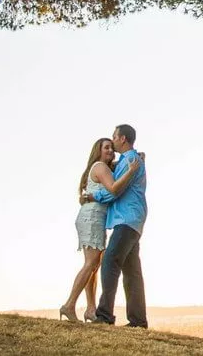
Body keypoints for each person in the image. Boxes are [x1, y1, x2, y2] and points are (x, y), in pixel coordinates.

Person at [59, 138, 140, 322]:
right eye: (106, 148)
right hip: (92, 217)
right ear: (98, 150)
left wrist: (136, 157)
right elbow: (113, 189)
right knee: (90, 264)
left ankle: (90, 309)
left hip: (95, 217)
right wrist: (131, 170)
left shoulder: (103, 167)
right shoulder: (101, 167)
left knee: (93, 266)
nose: (111, 150)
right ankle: (69, 305)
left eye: (112, 147)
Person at [90, 124, 148, 328]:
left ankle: (104, 315)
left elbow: (115, 190)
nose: (112, 141)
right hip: (134, 220)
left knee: (109, 262)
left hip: (126, 219)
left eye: (114, 137)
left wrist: (92, 195)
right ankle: (138, 321)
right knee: (132, 271)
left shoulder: (130, 160)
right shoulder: (130, 159)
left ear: (122, 138)